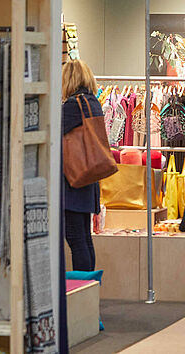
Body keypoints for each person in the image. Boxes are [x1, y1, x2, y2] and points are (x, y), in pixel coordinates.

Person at [61, 59, 103, 271]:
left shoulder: (72, 105)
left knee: (76, 238)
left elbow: (53, 130)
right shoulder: (92, 102)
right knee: (84, 238)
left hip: (73, 181)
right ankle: (90, 287)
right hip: (88, 177)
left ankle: (82, 288)